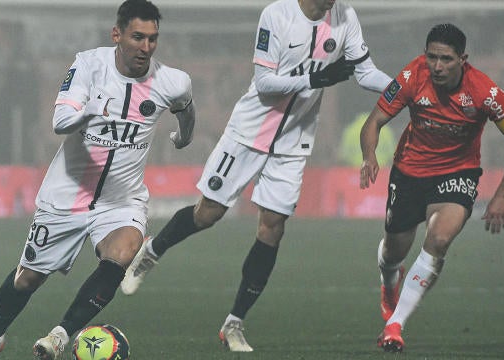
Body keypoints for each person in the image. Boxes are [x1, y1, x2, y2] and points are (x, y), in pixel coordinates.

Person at [120, 0, 392, 352]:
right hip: (249, 132)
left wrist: (404, 90)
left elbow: (365, 71)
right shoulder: (276, 15)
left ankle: (234, 323)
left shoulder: (345, 16)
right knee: (208, 214)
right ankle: (151, 252)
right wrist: (313, 78)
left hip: (295, 140)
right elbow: (265, 83)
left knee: (272, 227)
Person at [0, 1, 196, 359]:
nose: (145, 47)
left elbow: (186, 109)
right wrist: (90, 111)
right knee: (27, 279)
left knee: (123, 251)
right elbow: (59, 121)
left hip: (122, 200)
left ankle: (60, 335)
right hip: (68, 195)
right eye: (137, 37)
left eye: (152, 39)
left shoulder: (172, 82)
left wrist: (185, 137)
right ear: (117, 35)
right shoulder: (89, 64)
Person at [359, 23, 504, 353]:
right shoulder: (412, 76)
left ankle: (395, 325)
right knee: (393, 251)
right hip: (409, 172)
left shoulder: (485, 92)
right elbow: (374, 121)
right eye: (432, 57)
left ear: (462, 59)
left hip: (458, 173)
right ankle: (388, 280)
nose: (437, 66)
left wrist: (503, 195)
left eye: (446, 59)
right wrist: (369, 156)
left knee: (438, 240)